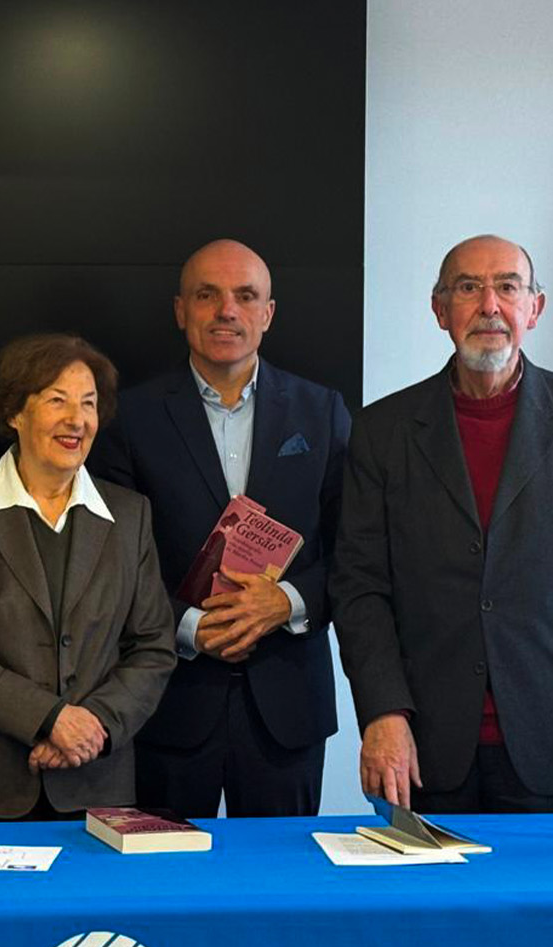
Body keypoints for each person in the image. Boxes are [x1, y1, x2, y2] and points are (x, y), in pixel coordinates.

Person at [333, 234, 553, 812]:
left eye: (507, 287)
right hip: (426, 753)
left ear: (534, 308)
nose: (490, 305)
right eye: (468, 288)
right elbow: (359, 586)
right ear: (440, 310)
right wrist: (383, 712)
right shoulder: (381, 431)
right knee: (433, 907)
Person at [91, 239, 350, 817]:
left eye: (244, 296)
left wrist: (287, 601)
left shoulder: (321, 411)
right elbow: (108, 564)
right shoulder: (126, 419)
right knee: (168, 891)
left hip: (287, 701)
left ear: (268, 314)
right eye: (207, 295)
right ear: (181, 310)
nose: (226, 311)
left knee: (280, 887)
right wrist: (185, 626)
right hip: (169, 699)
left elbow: (354, 551)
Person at [0, 333, 176, 819]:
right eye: (58, 400)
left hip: (93, 780)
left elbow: (153, 645)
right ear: (15, 412)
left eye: (89, 404)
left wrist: (91, 726)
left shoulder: (131, 516)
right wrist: (49, 720)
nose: (77, 419)